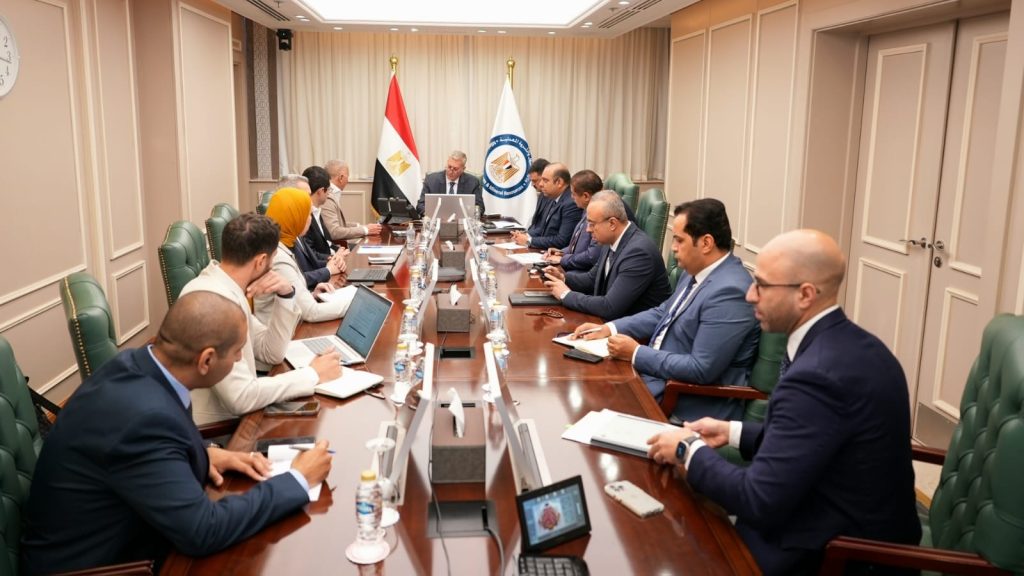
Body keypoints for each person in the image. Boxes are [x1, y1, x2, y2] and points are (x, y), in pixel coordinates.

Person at [646, 229, 921, 576]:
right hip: (829, 513)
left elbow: (758, 499)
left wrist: (688, 449)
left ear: (805, 294)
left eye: (762, 285)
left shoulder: (818, 376)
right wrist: (732, 432)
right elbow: (815, 438)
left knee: (666, 548)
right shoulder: (852, 344)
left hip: (835, 555)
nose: (749, 295)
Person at [21, 292, 333, 574]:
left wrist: (205, 453)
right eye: (237, 351)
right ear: (206, 360)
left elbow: (134, 454)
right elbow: (203, 531)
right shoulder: (145, 421)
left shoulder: (137, 363)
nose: (240, 358)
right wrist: (297, 479)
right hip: (103, 565)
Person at [573, 199, 759, 421]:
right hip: (655, 378)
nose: (673, 247)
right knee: (583, 389)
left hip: (686, 405)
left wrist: (636, 353)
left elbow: (701, 369)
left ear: (706, 243)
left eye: (679, 240)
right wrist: (610, 328)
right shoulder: (696, 271)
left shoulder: (730, 292)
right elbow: (663, 312)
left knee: (587, 409)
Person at [179, 213, 342, 424]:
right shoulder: (214, 306)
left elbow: (271, 352)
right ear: (261, 261)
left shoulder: (226, 286)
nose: (273, 267)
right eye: (273, 259)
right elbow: (241, 397)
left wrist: (286, 294)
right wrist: (312, 374)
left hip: (244, 412)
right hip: (221, 429)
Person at [544, 191, 671, 321]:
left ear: (612, 224)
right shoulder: (610, 239)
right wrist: (563, 278)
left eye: (592, 224)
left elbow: (609, 307)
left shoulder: (639, 253)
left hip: (631, 329)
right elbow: (592, 279)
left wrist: (566, 295)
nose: (588, 229)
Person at [254, 187, 357, 325]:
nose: (310, 219)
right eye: (308, 215)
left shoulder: (284, 244)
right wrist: (356, 304)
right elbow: (312, 313)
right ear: (294, 218)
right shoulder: (277, 257)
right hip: (285, 333)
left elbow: (291, 295)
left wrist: (311, 295)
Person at [544, 172, 639, 271]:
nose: (571, 197)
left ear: (586, 196)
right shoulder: (591, 204)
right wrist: (562, 252)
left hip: (588, 271)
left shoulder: (604, 208)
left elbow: (593, 255)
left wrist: (563, 259)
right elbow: (579, 239)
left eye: (573, 194)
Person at [512, 162, 584, 250]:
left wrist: (529, 240)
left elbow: (562, 241)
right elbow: (543, 230)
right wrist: (525, 236)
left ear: (559, 182)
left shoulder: (571, 203)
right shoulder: (552, 197)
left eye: (545, 180)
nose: (541, 184)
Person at [322, 159, 382, 242]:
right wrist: (365, 230)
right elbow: (334, 231)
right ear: (341, 177)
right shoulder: (327, 196)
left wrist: (362, 227)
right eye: (347, 177)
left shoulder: (331, 192)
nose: (348, 180)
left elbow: (339, 224)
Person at [415, 150, 485, 216]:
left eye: (455, 169)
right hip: (436, 220)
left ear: (463, 169)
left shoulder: (472, 182)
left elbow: (480, 208)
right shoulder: (431, 180)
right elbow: (420, 206)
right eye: (449, 167)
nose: (451, 171)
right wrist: (434, 215)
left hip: (462, 221)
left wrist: (468, 214)